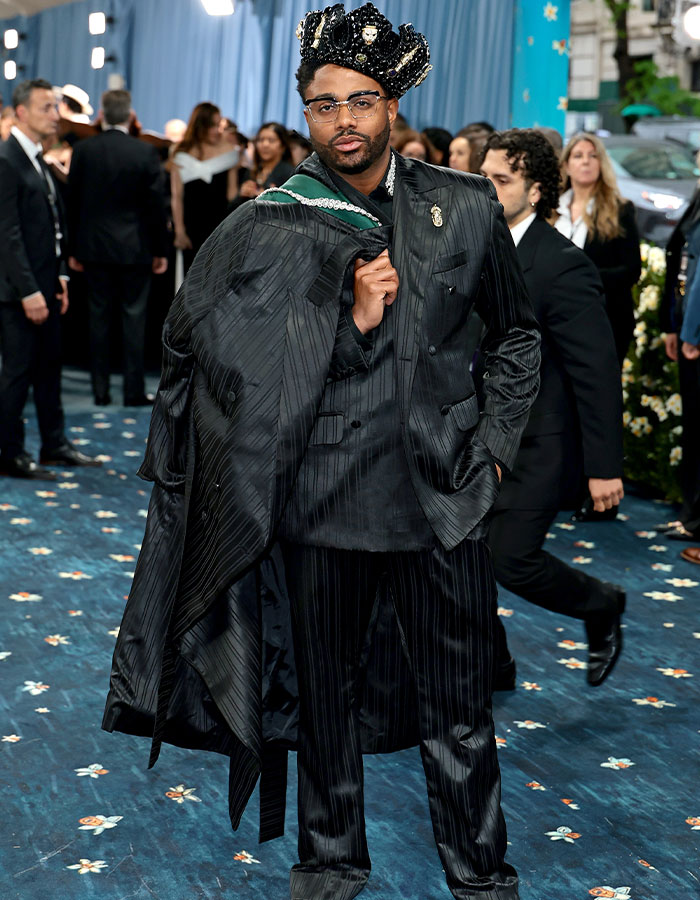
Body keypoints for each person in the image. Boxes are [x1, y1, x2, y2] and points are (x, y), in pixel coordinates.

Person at [103, 5, 540, 900]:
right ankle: (331, 862)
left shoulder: (465, 208)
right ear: (306, 113)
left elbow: (517, 338)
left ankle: (481, 872)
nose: (343, 119)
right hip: (319, 500)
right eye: (323, 103)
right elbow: (205, 350)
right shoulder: (272, 221)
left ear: (394, 106)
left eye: (361, 100)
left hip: (443, 499)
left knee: (459, 707)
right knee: (325, 704)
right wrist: (340, 324)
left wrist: (491, 449)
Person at [480, 129, 626, 690]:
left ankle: (601, 605)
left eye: (501, 180)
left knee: (508, 559)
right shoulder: (474, 244)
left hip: (543, 441)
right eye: (483, 176)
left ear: (536, 191)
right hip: (476, 435)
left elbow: (596, 372)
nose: (486, 188)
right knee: (463, 558)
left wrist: (604, 466)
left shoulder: (563, 265)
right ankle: (493, 664)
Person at [0, 79, 99, 479]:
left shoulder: (37, 159)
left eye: (55, 107)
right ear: (21, 112)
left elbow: (51, 227)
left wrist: (59, 278)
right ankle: (9, 452)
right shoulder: (7, 160)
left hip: (45, 285)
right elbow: (7, 235)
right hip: (19, 292)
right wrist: (28, 292)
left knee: (48, 370)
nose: (54, 115)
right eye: (46, 107)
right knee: (17, 374)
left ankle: (54, 444)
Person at [67, 89, 169, 407]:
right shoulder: (145, 152)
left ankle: (100, 391)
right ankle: (133, 391)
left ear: (101, 114)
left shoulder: (84, 150)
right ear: (129, 115)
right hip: (135, 249)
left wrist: (73, 248)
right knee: (133, 321)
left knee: (98, 320)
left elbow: (72, 203)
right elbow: (156, 208)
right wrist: (160, 250)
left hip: (94, 248)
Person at [556, 133, 642, 366]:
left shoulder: (619, 210)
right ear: (566, 165)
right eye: (578, 155)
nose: (586, 161)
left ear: (601, 164)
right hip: (556, 321)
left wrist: (581, 280)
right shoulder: (553, 210)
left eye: (593, 156)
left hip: (604, 320)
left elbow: (632, 269)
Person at [660, 182, 700, 544]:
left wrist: (692, 332)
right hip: (688, 324)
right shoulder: (697, 196)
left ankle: (695, 518)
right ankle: (692, 515)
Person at [170, 102, 239, 272]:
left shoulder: (228, 150)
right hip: (191, 226)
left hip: (220, 225)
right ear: (200, 125)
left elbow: (232, 195)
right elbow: (176, 196)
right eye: (212, 126)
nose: (217, 130)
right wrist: (179, 231)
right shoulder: (181, 152)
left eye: (219, 125)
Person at [233, 121, 295, 204]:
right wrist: (242, 193)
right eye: (261, 140)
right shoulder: (251, 172)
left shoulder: (289, 173)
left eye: (271, 140)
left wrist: (266, 197)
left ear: (283, 146)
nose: (265, 144)